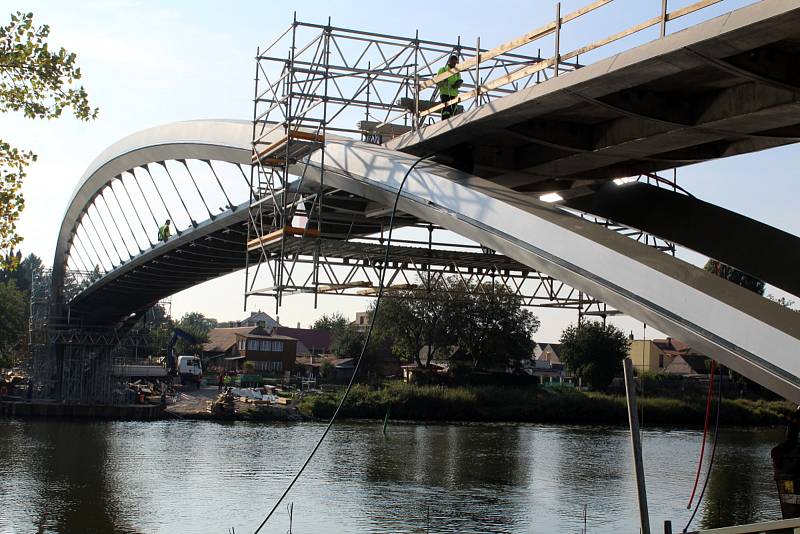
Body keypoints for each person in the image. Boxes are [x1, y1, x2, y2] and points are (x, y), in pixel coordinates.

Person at [437, 55, 463, 120]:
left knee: (453, 111)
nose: (454, 63)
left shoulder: (457, 72)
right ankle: (445, 123)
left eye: (455, 62)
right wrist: (444, 82)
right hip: (445, 93)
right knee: (446, 110)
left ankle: (451, 124)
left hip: (454, 94)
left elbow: (459, 82)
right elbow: (438, 82)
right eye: (453, 61)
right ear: (449, 61)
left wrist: (457, 84)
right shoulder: (442, 70)